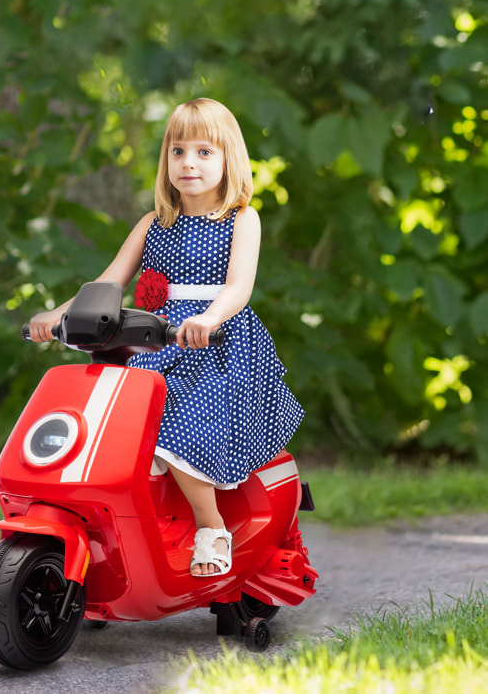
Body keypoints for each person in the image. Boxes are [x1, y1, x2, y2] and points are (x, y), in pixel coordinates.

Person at [29, 98, 304, 577]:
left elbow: (238, 288)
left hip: (218, 346)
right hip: (158, 342)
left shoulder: (241, 218)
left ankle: (210, 527)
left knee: (181, 424)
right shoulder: (154, 223)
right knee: (117, 414)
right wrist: (57, 313)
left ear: (228, 159)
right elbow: (109, 282)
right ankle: (130, 520)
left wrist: (210, 317)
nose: (189, 163)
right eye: (178, 152)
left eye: (204, 152)